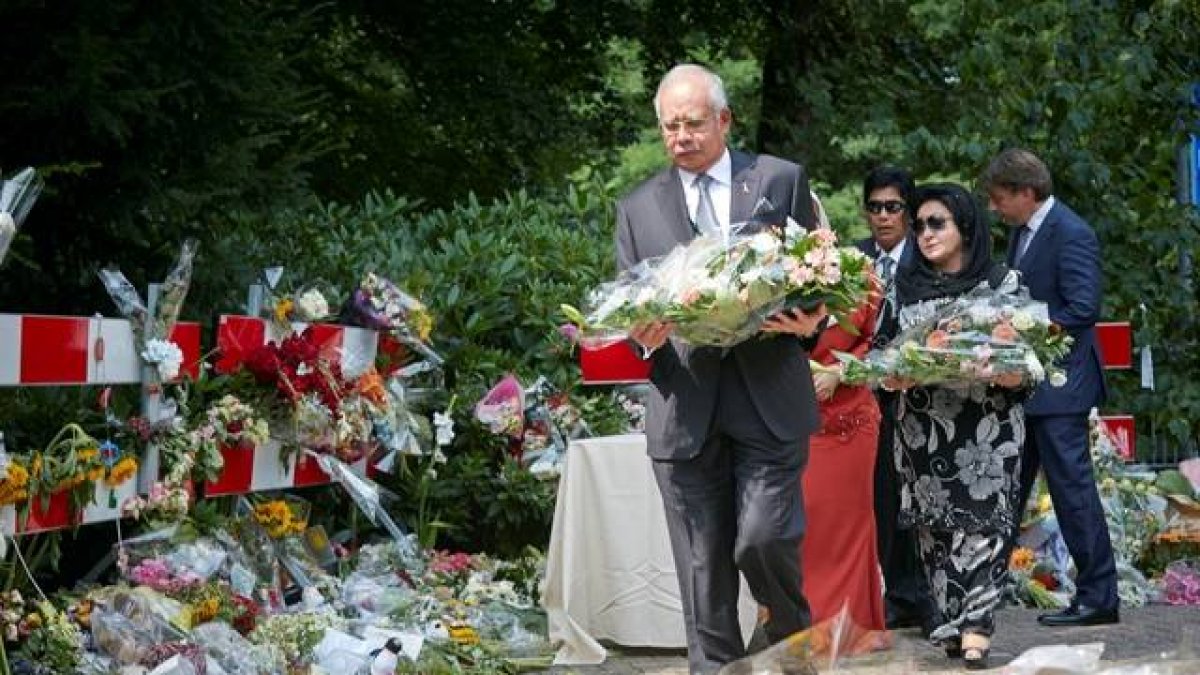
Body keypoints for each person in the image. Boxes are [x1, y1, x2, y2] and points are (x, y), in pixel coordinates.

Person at [615, 63, 827, 674]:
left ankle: (792, 645)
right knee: (702, 571)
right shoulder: (636, 207)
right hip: (685, 406)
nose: (681, 136)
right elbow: (631, 306)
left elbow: (819, 278)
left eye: (693, 123)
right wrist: (643, 337)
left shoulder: (780, 180)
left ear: (725, 120)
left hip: (769, 395)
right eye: (669, 126)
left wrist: (810, 321)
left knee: (763, 538)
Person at [889, 183, 1030, 670]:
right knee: (936, 532)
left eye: (936, 223)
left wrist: (994, 367)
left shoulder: (1002, 284)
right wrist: (894, 372)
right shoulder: (904, 287)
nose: (924, 234)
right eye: (919, 225)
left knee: (985, 527)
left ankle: (977, 627)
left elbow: (1026, 363)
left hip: (987, 431)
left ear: (965, 227)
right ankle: (952, 622)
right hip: (922, 433)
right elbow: (882, 356)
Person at [981, 147, 1119, 627]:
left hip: (1062, 388)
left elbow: (1083, 309)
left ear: (1026, 192)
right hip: (1028, 388)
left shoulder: (1072, 232)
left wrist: (1019, 331)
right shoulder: (1023, 232)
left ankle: (1100, 596)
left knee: (1072, 493)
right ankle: (983, 591)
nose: (995, 208)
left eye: (1000, 199)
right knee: (1007, 490)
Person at [853, 165, 937, 635]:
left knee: (920, 494)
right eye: (875, 207)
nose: (883, 217)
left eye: (893, 207)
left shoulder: (927, 258)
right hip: (868, 398)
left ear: (908, 211)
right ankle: (900, 594)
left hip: (921, 395)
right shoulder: (853, 259)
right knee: (883, 497)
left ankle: (928, 597)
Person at [799, 200, 887, 639]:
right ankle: (800, 625)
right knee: (797, 525)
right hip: (788, 422)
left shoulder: (861, 275)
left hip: (849, 417)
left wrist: (841, 372)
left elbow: (883, 342)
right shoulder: (765, 282)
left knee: (849, 523)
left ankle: (849, 628)